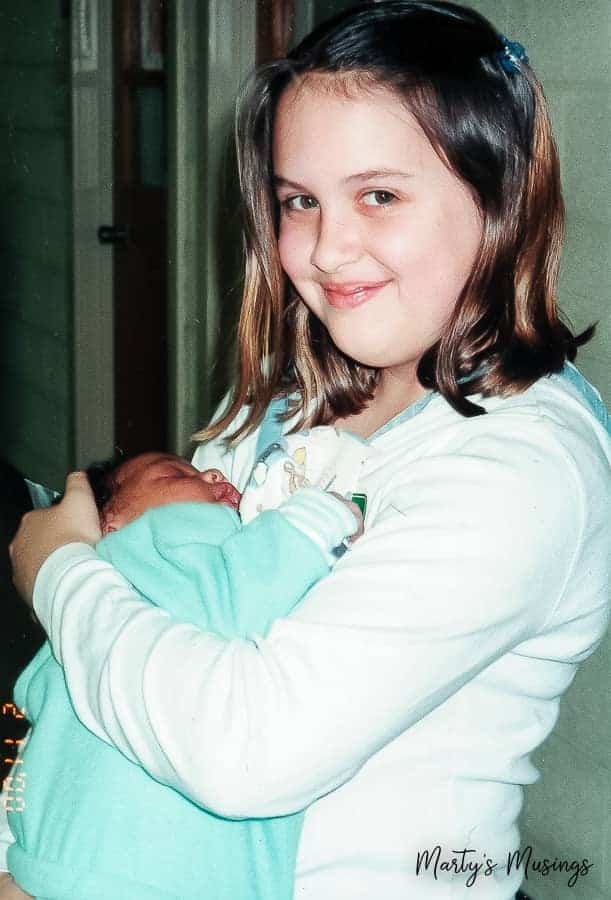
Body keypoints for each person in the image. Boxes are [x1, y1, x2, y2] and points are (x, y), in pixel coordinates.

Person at [4, 2, 611, 897]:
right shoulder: (301, 394)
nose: (325, 251)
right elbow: (187, 618)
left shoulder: (521, 469)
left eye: (379, 194)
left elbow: (245, 753)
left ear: (500, 198)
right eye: (299, 201)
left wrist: (59, 574)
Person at [3, 444, 365, 900]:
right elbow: (234, 596)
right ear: (111, 525)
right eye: (173, 475)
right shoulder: (154, 543)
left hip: (53, 867)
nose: (213, 473)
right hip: (165, 876)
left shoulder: (70, 629)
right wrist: (317, 515)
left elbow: (32, 738)